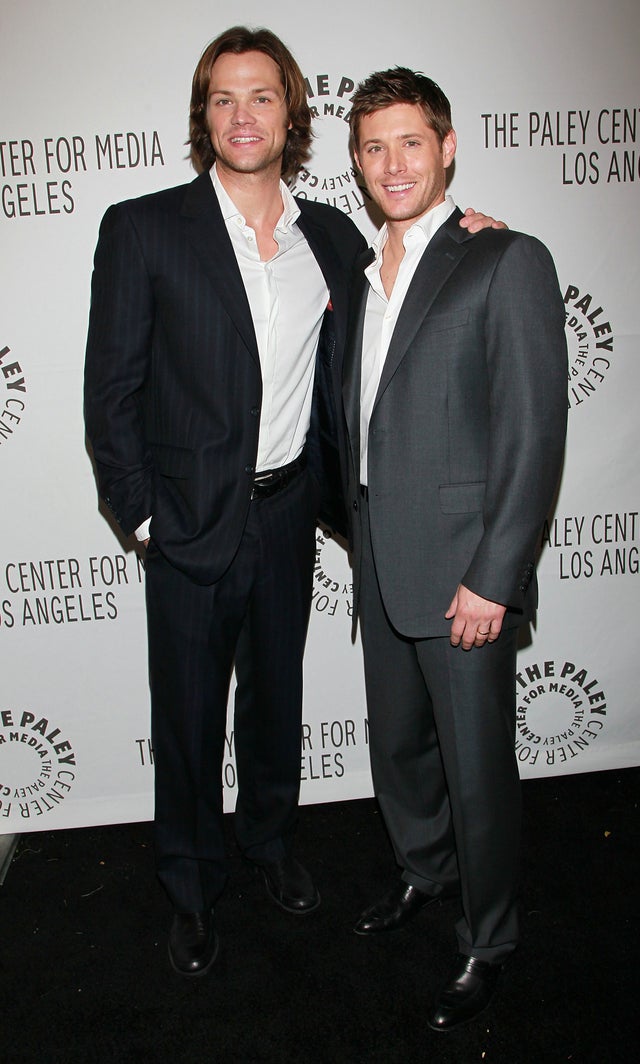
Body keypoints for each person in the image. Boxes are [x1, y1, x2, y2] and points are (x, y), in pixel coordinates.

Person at [84, 27, 499, 979]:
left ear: (291, 113)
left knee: (277, 703)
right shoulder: (143, 228)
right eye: (225, 99)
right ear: (206, 115)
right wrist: (145, 521)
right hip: (187, 527)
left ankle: (269, 843)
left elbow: (408, 282)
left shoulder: (333, 236)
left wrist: (468, 231)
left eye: (262, 97)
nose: (243, 115)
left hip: (286, 516)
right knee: (187, 717)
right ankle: (189, 884)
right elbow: (110, 392)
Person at [342, 67, 567, 1030]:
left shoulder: (504, 259)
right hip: (381, 561)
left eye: (410, 143)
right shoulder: (361, 273)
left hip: (464, 573)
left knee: (477, 768)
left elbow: (533, 435)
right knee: (399, 753)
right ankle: (425, 876)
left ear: (448, 147)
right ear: (356, 161)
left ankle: (489, 937)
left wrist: (494, 576)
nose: (393, 164)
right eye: (374, 146)